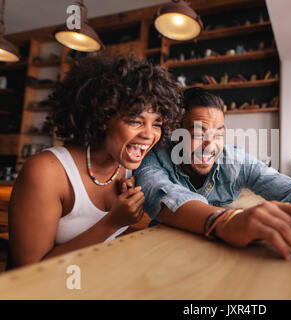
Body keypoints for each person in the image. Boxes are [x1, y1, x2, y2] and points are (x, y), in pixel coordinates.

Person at [135, 88, 291, 261]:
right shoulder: (153, 158)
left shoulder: (234, 160)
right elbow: (164, 196)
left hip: (222, 257)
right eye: (198, 132)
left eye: (218, 134)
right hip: (164, 259)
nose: (210, 144)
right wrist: (227, 220)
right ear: (175, 134)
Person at [8, 56, 182, 268]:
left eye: (157, 124)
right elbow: (28, 271)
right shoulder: (47, 172)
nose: (149, 134)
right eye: (135, 121)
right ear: (101, 117)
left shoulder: (132, 167)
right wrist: (112, 223)